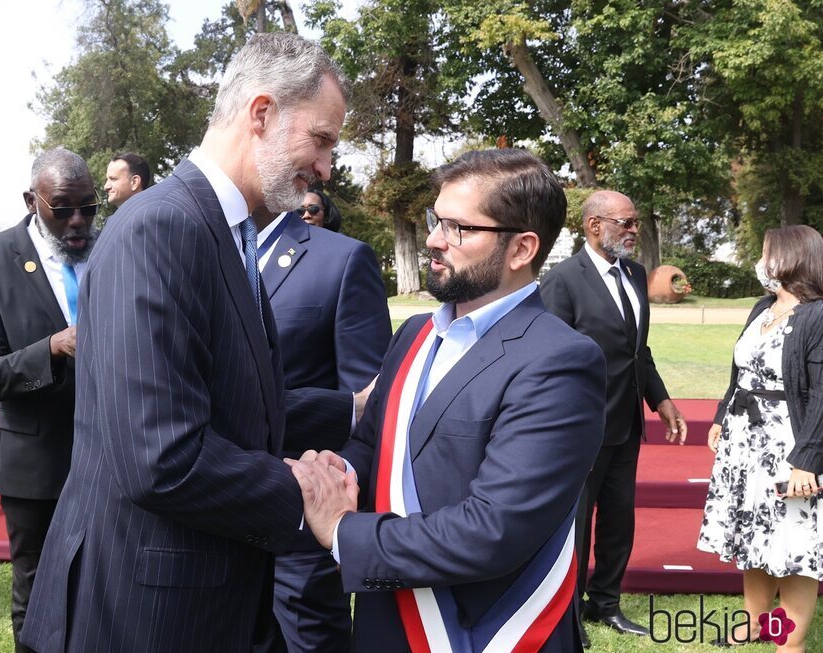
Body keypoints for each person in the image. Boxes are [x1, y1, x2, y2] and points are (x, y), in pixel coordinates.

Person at [21, 33, 357, 652]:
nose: (326, 169)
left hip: (196, 598)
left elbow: (227, 398)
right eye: (322, 139)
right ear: (262, 114)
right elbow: (160, 457)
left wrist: (353, 410)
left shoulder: (221, 228)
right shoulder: (161, 229)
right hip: (142, 613)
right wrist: (309, 496)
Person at [288, 148, 608, 652]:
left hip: (488, 630)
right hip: (387, 622)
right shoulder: (414, 335)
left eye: (458, 228)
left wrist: (346, 531)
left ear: (521, 249)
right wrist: (336, 472)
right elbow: (375, 448)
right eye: (437, 219)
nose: (434, 239)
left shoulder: (561, 361)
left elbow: (495, 529)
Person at [0, 148, 98, 652]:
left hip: (110, 454)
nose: (78, 221)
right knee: (38, 588)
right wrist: (54, 348)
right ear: (31, 200)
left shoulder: (108, 251)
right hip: (33, 462)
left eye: (89, 207)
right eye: (63, 208)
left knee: (101, 583)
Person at [540, 189, 687, 647]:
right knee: (576, 523)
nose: (632, 230)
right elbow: (549, 357)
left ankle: (605, 603)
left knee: (619, 519)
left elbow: (636, 350)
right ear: (593, 226)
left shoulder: (636, 273)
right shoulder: (563, 280)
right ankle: (567, 613)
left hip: (626, 424)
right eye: (624, 222)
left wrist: (660, 400)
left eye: (635, 222)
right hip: (580, 426)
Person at [252, 197, 391, 650]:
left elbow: (368, 407)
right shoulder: (194, 252)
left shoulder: (342, 258)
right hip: (206, 524)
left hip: (297, 530)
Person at [698, 225, 823, 650]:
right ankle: (756, 623)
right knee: (754, 532)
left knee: (792, 541)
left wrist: (807, 459)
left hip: (789, 444)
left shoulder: (817, 315)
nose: (761, 259)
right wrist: (720, 416)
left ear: (790, 257)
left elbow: (822, 392)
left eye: (766, 251)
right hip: (744, 440)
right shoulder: (762, 308)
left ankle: (791, 640)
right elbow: (741, 373)